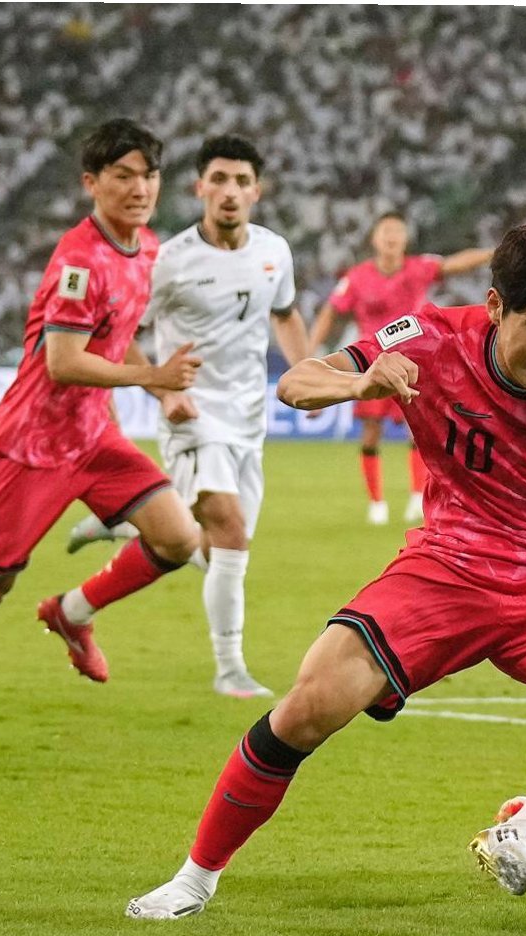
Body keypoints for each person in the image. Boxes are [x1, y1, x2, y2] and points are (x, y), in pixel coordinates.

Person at [124, 217, 526, 920]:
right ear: (496, 306)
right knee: (311, 702)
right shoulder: (430, 338)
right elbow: (296, 381)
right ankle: (194, 879)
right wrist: (362, 383)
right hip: (446, 568)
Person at [0, 118, 204, 723]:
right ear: (92, 182)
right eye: (123, 175)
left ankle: (71, 612)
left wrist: (161, 391)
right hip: (31, 446)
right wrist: (154, 377)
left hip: (92, 437)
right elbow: (64, 363)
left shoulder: (146, 248)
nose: (140, 188)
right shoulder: (79, 261)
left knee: (178, 538)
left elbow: (115, 334)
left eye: (149, 175)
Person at [65, 134, 312, 700]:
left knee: (215, 547)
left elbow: (285, 314)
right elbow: (117, 332)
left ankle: (124, 529)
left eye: (242, 181)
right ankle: (230, 669)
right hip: (191, 412)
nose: (230, 192)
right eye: (218, 179)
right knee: (229, 530)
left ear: (257, 191)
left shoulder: (274, 251)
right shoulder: (169, 260)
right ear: (199, 187)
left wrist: (310, 374)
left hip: (248, 418)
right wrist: (160, 389)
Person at [308, 211, 492, 525]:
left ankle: (417, 496)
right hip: (372, 363)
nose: (391, 237)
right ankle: (376, 502)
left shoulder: (419, 268)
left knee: (420, 431)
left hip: (415, 361)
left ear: (406, 238)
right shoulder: (357, 277)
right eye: (386, 231)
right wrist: (311, 350)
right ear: (374, 239)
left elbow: (454, 264)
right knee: (370, 435)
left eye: (397, 231)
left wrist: (492, 253)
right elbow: (330, 312)